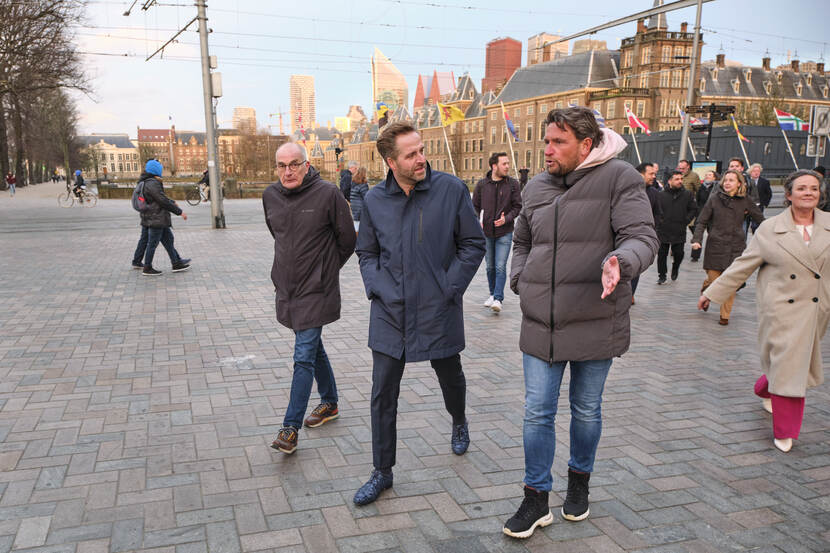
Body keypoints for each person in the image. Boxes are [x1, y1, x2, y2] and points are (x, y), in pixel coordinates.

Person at [503, 107, 658, 539]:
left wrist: (621, 262)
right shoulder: (535, 186)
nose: (547, 149)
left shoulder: (620, 178)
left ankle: (579, 482)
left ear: (586, 145)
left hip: (595, 316)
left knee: (586, 410)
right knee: (537, 412)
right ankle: (536, 498)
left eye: (558, 142)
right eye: (547, 140)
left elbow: (643, 238)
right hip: (541, 321)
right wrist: (519, 278)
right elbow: (521, 239)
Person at [353, 121, 485, 506]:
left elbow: (473, 244)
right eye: (411, 154)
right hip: (390, 312)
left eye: (422, 150)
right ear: (391, 162)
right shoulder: (375, 200)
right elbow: (367, 252)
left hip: (436, 307)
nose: (421, 159)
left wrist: (450, 287)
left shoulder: (450, 190)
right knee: (382, 395)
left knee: (450, 376)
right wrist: (377, 286)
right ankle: (382, 472)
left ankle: (458, 420)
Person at [698, 170, 827, 452]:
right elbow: (744, 265)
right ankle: (786, 431)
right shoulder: (771, 230)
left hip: (816, 311)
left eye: (814, 189)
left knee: (786, 365)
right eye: (802, 188)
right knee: (790, 367)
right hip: (780, 310)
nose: (808, 193)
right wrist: (713, 292)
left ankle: (765, 386)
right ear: (789, 195)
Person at [263, 143, 356, 454]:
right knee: (312, 347)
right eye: (281, 165)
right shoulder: (270, 196)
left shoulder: (328, 194)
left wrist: (323, 271)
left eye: (294, 164)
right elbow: (278, 235)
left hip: (316, 290)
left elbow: (348, 240)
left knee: (302, 356)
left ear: (306, 165)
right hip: (287, 289)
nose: (288, 171)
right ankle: (329, 403)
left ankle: (289, 428)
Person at [692, 169, 764, 325]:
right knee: (714, 280)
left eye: (731, 180)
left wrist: (772, 235)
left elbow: (761, 220)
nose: (727, 183)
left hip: (735, 246)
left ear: (739, 183)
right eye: (726, 180)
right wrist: (696, 239)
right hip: (715, 245)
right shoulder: (714, 199)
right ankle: (707, 288)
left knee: (729, 282)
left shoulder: (745, 200)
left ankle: (725, 315)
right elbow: (702, 221)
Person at [472, 152, 522, 313]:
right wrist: (476, 222)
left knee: (500, 266)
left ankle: (498, 298)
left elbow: (517, 207)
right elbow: (474, 207)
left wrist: (506, 219)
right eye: (504, 164)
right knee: (490, 267)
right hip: (486, 232)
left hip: (504, 232)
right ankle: (493, 294)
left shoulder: (513, 184)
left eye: (508, 163)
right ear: (494, 166)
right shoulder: (482, 185)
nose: (507, 166)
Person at [139, 160, 191, 276]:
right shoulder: (152, 183)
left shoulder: (149, 182)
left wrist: (172, 201)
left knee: (168, 240)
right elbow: (162, 200)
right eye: (160, 169)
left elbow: (160, 198)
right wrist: (179, 212)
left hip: (157, 218)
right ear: (156, 170)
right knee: (152, 243)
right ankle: (147, 267)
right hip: (156, 218)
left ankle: (176, 263)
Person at [655, 171, 697, 284]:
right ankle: (662, 275)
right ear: (669, 181)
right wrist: (659, 221)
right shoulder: (661, 195)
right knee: (662, 254)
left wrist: (686, 220)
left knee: (679, 253)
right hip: (663, 229)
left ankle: (675, 267)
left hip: (679, 228)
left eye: (681, 179)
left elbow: (693, 209)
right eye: (677, 179)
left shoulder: (687, 194)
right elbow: (656, 210)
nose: (680, 181)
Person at [631, 161, 662, 303]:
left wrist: (651, 230)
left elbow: (658, 214)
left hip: (642, 237)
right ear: (640, 174)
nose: (654, 177)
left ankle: (630, 294)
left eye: (655, 174)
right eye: (651, 174)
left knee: (635, 266)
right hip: (623, 234)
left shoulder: (654, 193)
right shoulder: (626, 190)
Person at [690, 170, 719, 262]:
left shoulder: (717, 188)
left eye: (710, 175)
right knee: (697, 234)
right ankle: (695, 255)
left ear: (714, 177)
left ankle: (713, 254)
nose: (707, 176)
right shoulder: (701, 187)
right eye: (706, 175)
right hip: (701, 213)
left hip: (712, 215)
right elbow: (697, 200)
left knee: (712, 235)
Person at [349, 166, 369, 233]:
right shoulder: (363, 185)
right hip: (360, 208)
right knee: (360, 227)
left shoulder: (353, 183)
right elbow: (367, 198)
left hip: (354, 206)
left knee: (356, 224)